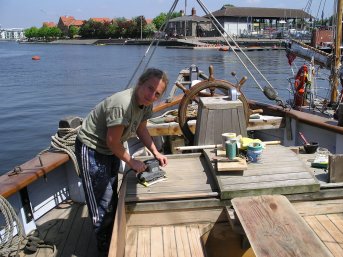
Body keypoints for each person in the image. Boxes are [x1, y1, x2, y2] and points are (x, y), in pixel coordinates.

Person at [74, 68, 169, 253]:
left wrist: (156, 152)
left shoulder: (146, 104)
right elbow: (112, 141)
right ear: (140, 83)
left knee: (110, 194)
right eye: (150, 88)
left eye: (157, 93)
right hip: (92, 148)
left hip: (111, 149)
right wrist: (132, 162)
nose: (152, 95)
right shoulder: (123, 104)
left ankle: (112, 237)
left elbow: (141, 130)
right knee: (101, 200)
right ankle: (105, 248)